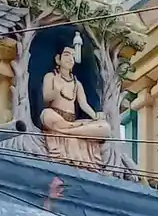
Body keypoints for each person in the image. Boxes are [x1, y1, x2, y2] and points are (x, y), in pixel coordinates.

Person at [38, 33, 111, 167]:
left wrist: (96, 116)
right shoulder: (51, 77)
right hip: (55, 117)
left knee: (105, 127)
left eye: (72, 55)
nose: (70, 59)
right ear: (58, 59)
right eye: (66, 55)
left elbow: (83, 105)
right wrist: (56, 91)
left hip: (73, 123)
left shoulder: (77, 83)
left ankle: (68, 132)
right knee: (46, 115)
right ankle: (71, 131)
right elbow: (45, 98)